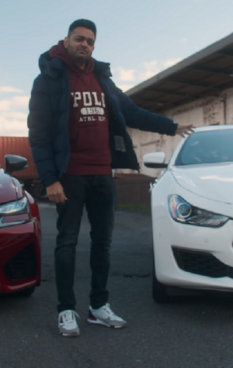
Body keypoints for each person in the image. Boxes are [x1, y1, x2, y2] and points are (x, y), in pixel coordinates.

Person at [28, 19, 194, 337]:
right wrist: (50, 179)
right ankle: (65, 310)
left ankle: (98, 307)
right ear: (65, 41)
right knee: (66, 243)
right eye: (79, 39)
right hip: (70, 176)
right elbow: (39, 133)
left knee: (103, 243)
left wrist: (171, 126)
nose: (84, 44)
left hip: (103, 174)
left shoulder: (102, 78)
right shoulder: (48, 78)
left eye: (90, 41)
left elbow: (131, 112)